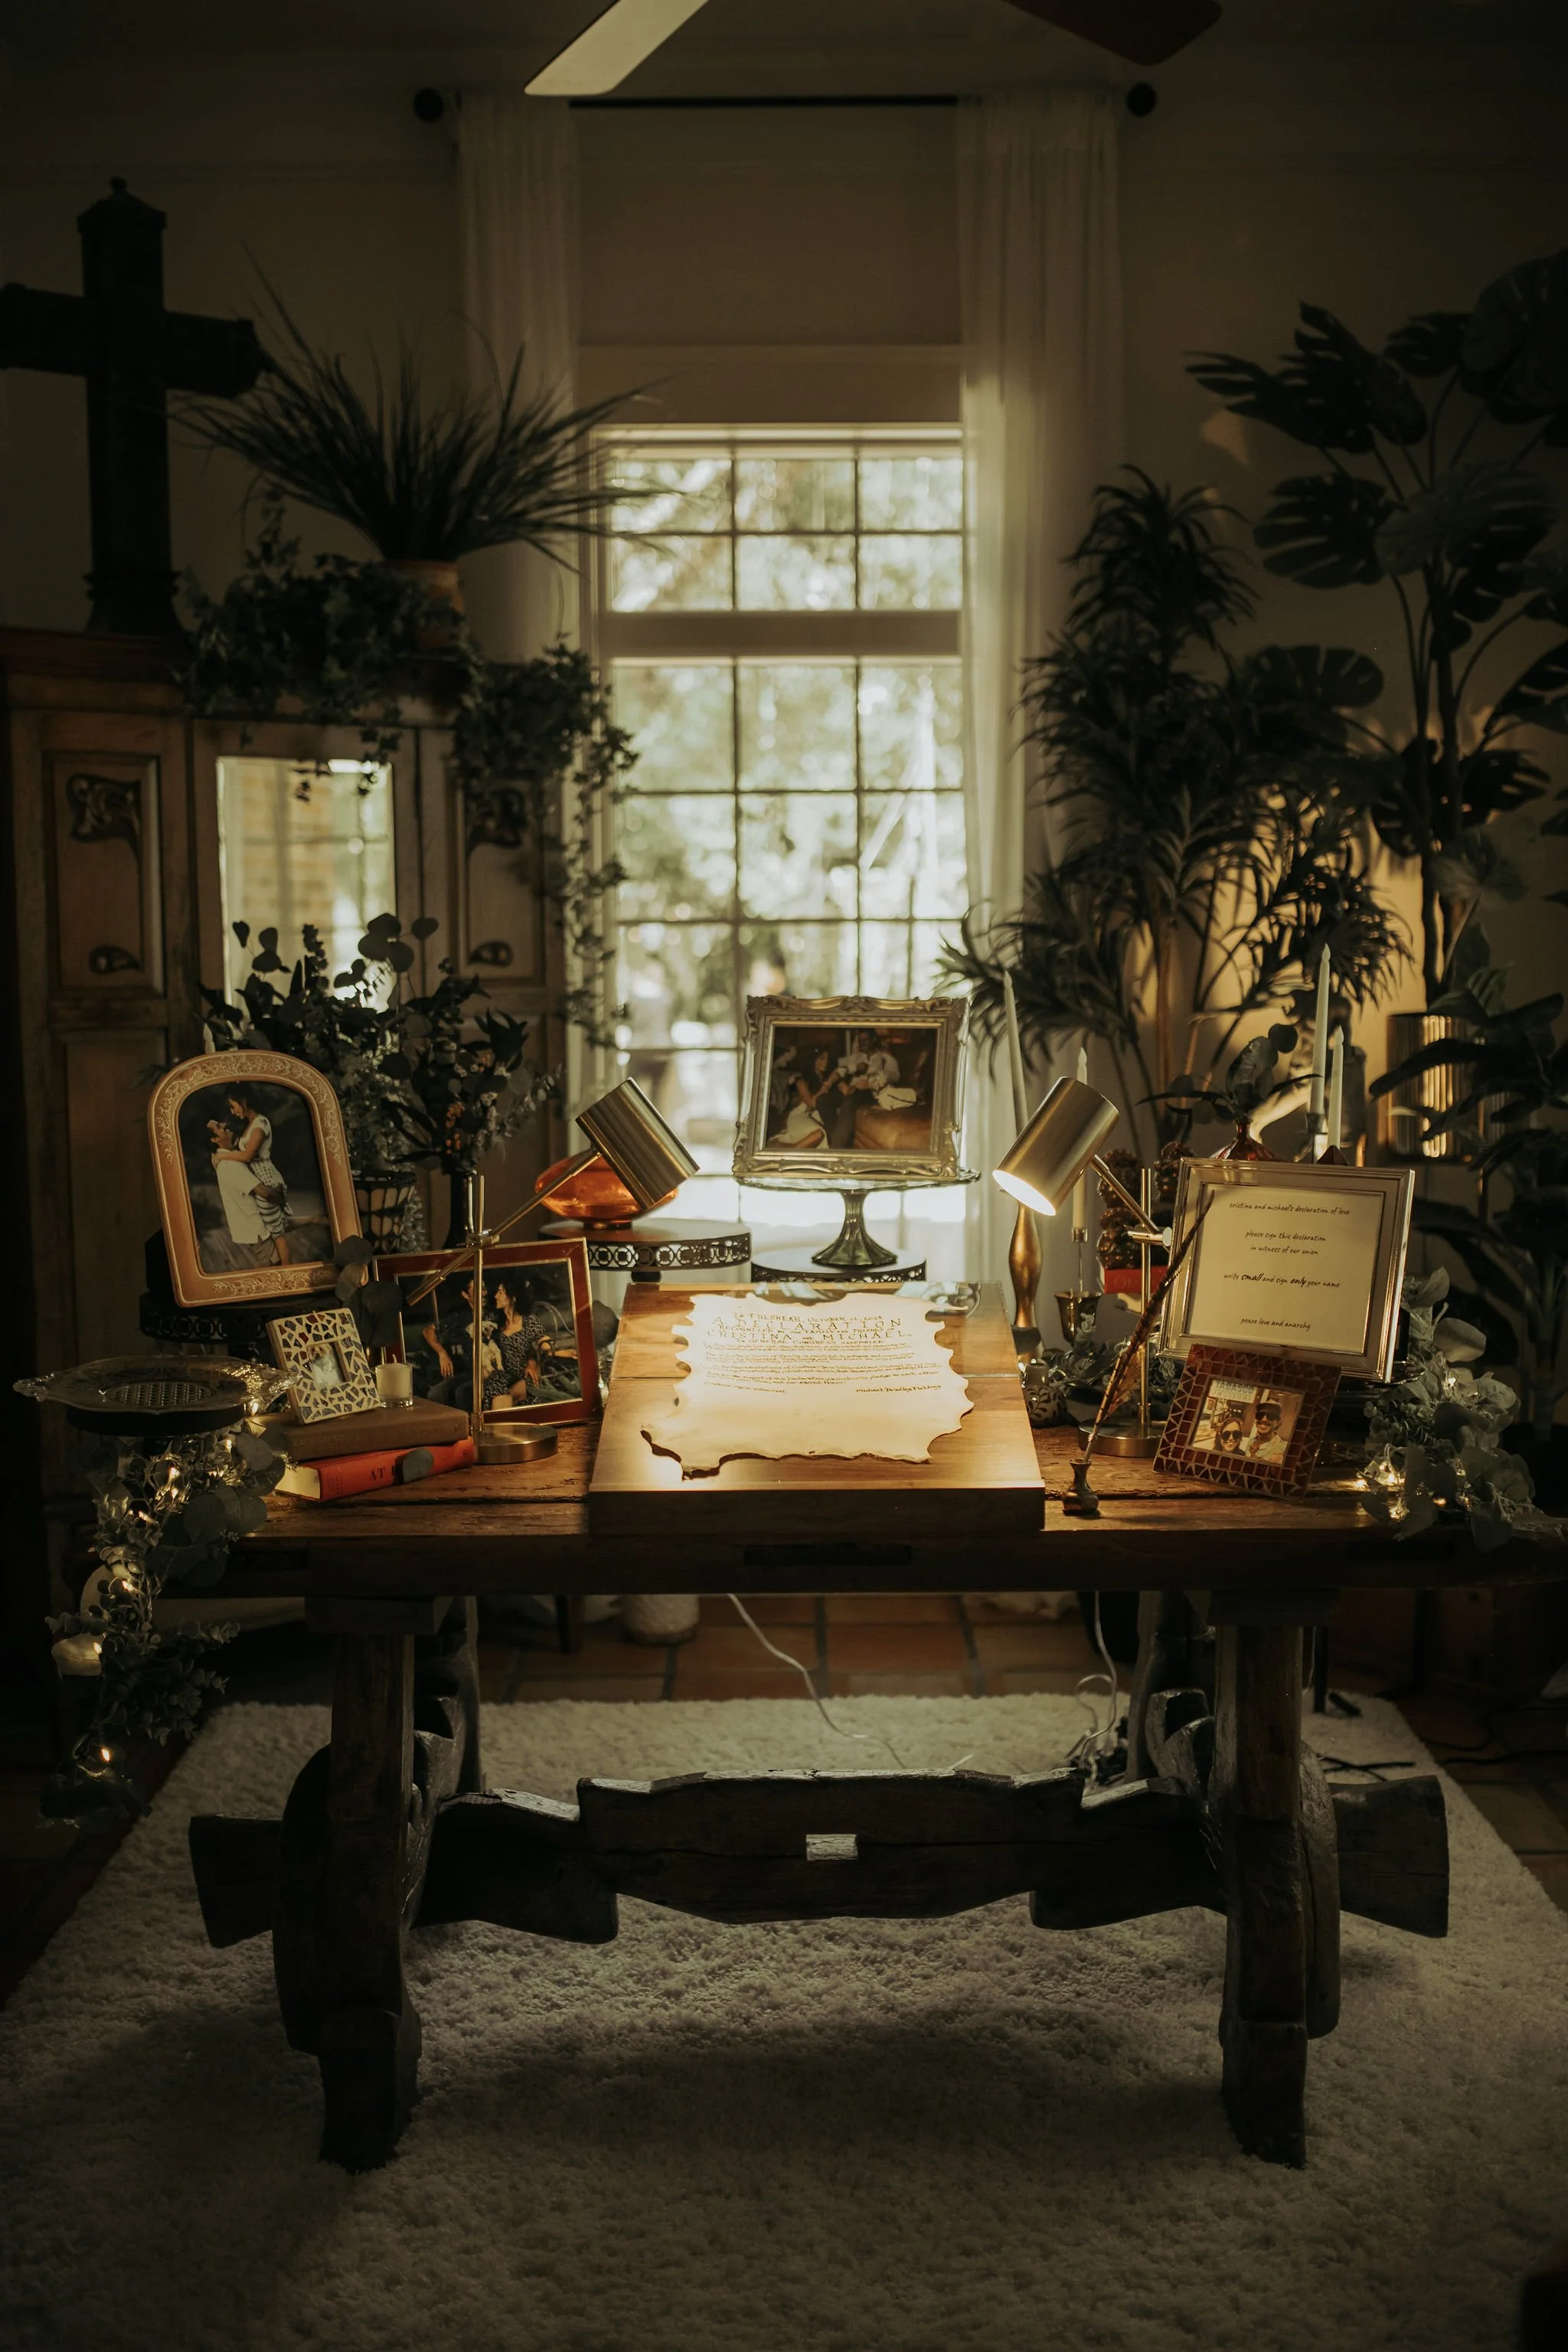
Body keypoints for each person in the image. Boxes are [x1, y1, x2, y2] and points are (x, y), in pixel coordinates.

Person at [220, 1086, 294, 1264]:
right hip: (260, 1179)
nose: (233, 1112)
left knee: (278, 1235)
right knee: (275, 1228)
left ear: (243, 1102)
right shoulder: (250, 1125)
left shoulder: (261, 1124)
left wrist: (222, 1155)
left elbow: (247, 1156)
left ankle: (290, 1277)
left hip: (267, 1179)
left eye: (233, 1106)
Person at [206, 1116, 267, 1247]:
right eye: (218, 1126)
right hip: (259, 1233)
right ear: (214, 1139)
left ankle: (314, 1219)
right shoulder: (230, 1164)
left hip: (256, 1230)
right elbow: (264, 1193)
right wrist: (278, 1196)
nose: (223, 1124)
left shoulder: (226, 1157)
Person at [1246, 1394, 1291, 1465]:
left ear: (1278, 1422)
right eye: (1260, 1415)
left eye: (1271, 1415)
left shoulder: (1283, 1448)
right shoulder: (1251, 1442)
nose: (1264, 1419)